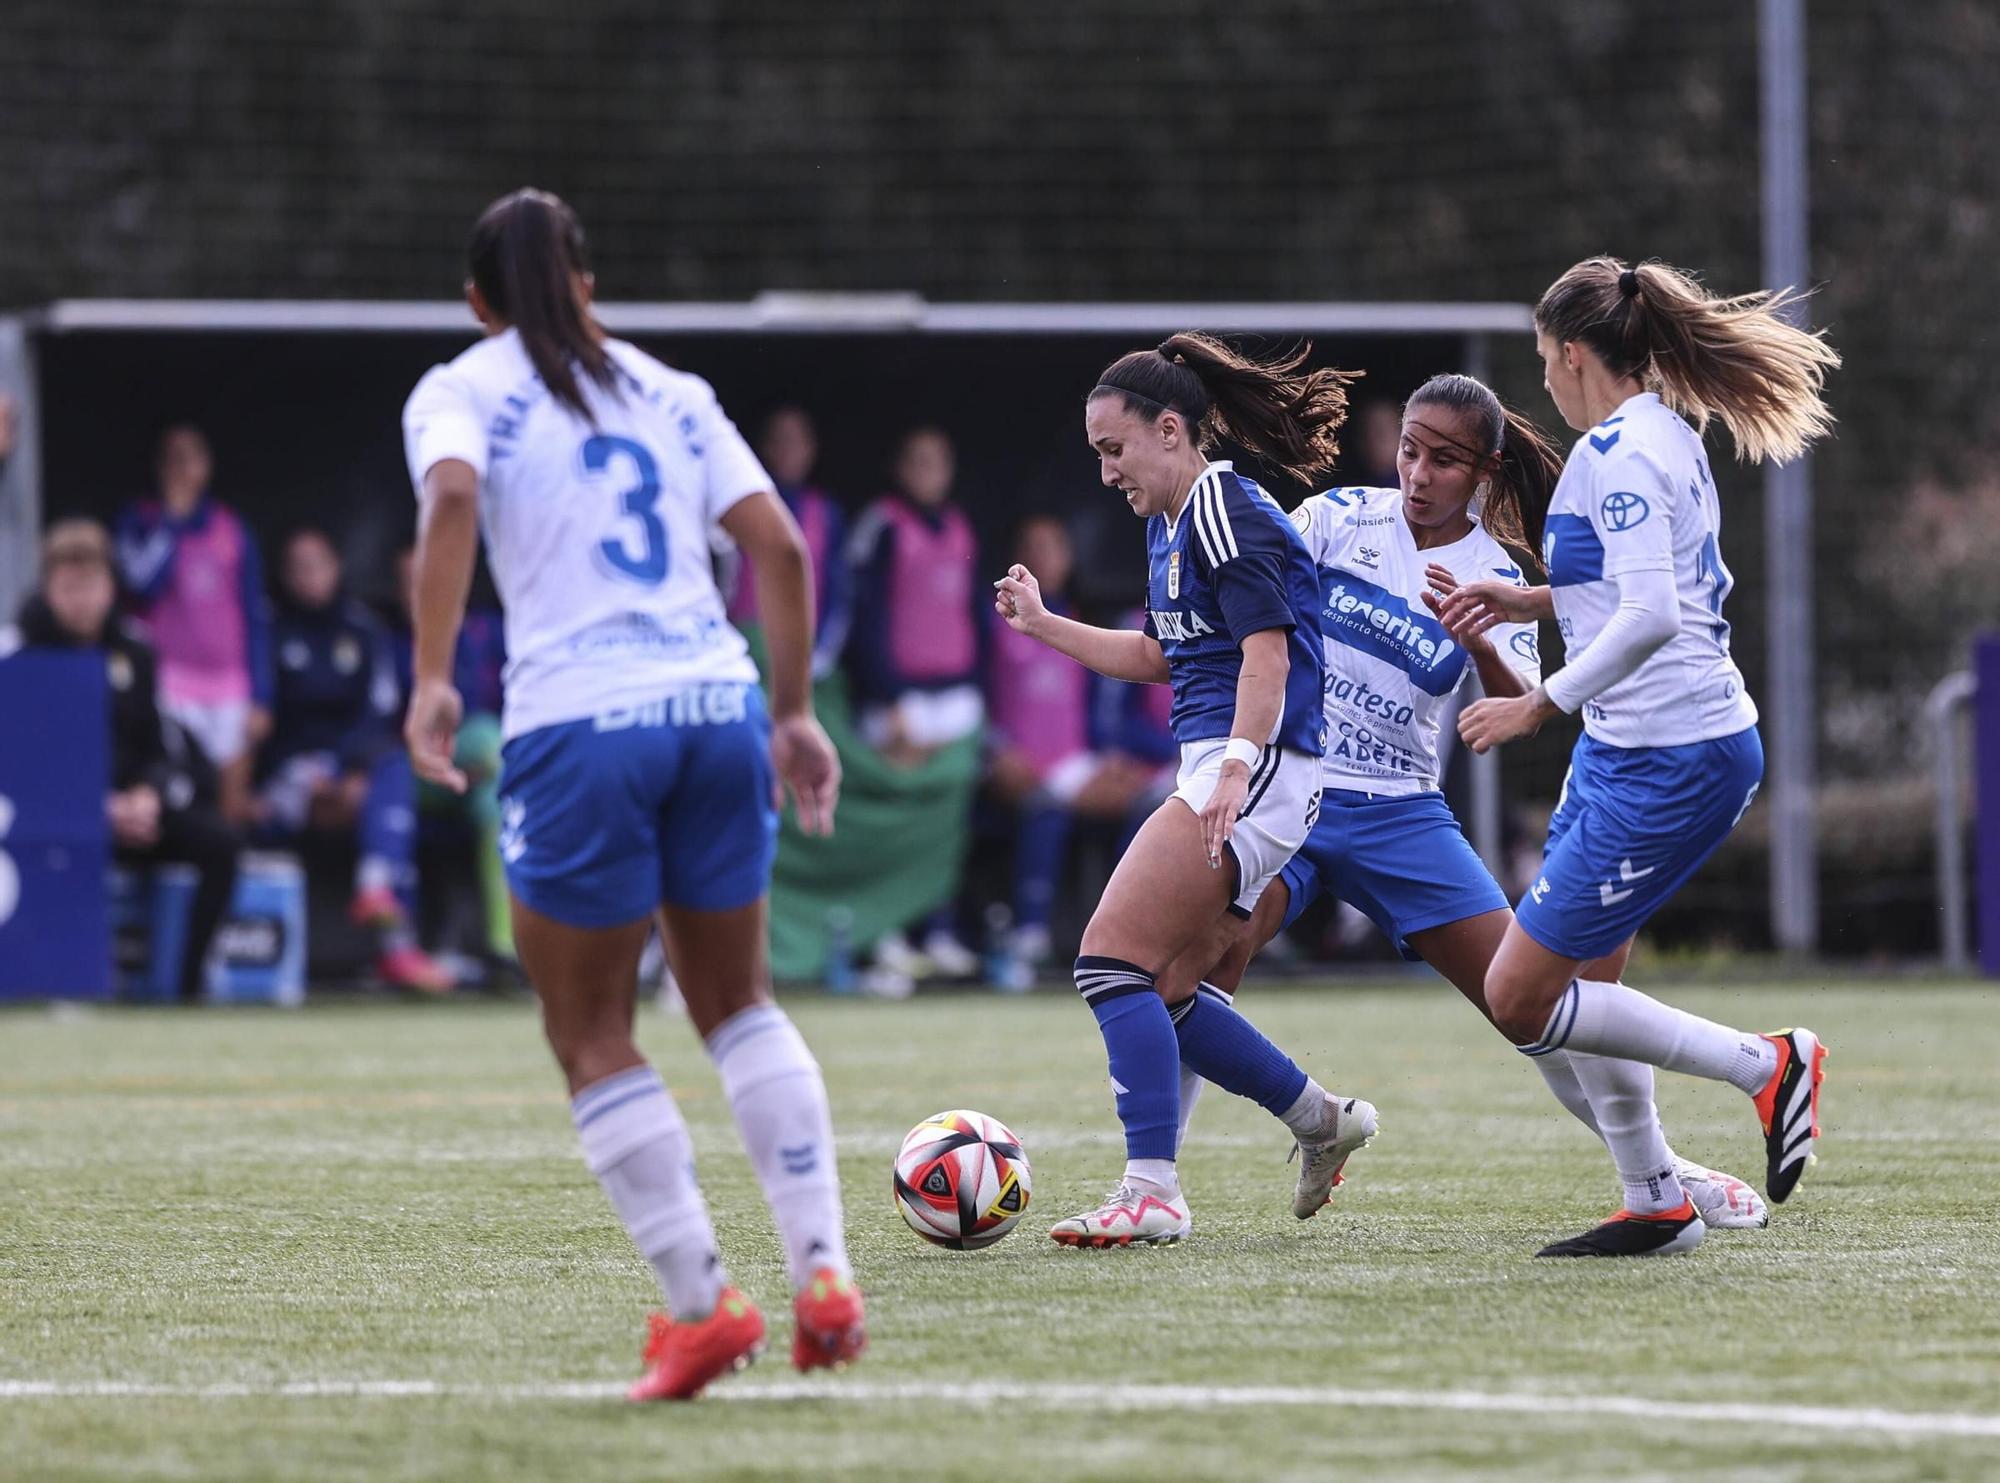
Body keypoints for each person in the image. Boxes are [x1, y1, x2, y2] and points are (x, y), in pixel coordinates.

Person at [401, 188, 860, 1400]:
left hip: (578, 723)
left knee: (591, 1029)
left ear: (476, 300)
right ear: (589, 282)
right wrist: (794, 710)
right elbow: (782, 551)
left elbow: (449, 501)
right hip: (713, 708)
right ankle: (823, 1272)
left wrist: (436, 678)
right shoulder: (673, 390)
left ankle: (704, 1307)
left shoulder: (459, 386)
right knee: (737, 1001)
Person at [1162, 373, 1771, 1251]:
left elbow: (1518, 709)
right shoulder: (1337, 517)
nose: (1417, 473)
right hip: (1295, 790)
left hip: (1401, 811)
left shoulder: (1498, 572)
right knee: (1196, 964)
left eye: (1443, 460)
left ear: (1483, 469)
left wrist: (1479, 637)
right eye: (1410, 450)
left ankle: (1665, 1174)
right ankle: (1159, 1182)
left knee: (1527, 1001)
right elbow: (1252, 607)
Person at [1434, 256, 1842, 1255]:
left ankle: (1766, 1064)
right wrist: (1531, 601)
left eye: (1542, 358)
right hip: (1629, 750)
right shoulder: (1655, 430)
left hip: (1675, 756)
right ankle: (1655, 1199)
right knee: (1585, 992)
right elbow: (1635, 585)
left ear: (1573, 353)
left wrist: (1538, 702)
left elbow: (1655, 612)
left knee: (1520, 995)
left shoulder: (1617, 451)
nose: (1540, 377)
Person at [995, 332, 1374, 1247]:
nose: (1106, 473)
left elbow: (1266, 655)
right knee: (1167, 986)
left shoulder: (1221, 508)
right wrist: (1047, 625)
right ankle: (1323, 1119)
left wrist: (1238, 764)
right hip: (1241, 765)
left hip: (1257, 764)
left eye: (1113, 449)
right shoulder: (1175, 521)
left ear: (1171, 429)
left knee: (1106, 960)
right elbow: (1167, 657)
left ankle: (1152, 1190)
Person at [2, 520, 240, 1001]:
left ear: (110, 587)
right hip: (46, 824)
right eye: (68, 587)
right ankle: (43, 982)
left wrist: (147, 796)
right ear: (47, 588)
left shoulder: (136, 649)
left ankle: (187, 988)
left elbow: (162, 746)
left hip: (132, 815)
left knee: (220, 842)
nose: (81, 600)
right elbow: (20, 764)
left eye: (91, 585)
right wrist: (93, 806)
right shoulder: (17, 654)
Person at [259, 527, 451, 992]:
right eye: (298, 569)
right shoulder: (269, 629)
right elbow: (263, 719)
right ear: (285, 576)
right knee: (383, 803)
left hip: (352, 772)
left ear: (335, 568)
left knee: (391, 772)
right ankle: (392, 935)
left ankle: (378, 899)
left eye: (317, 565)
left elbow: (379, 712)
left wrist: (348, 770)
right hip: (288, 775)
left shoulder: (361, 629)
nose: (309, 578)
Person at [984, 514, 1159, 976]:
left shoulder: (1080, 624)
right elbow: (977, 695)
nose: (1044, 557)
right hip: (1016, 761)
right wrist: (995, 748)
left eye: (1054, 547)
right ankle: (1029, 935)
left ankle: (1130, 930)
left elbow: (1095, 711)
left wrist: (1109, 758)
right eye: (1033, 547)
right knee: (1045, 808)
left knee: (1150, 804)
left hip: (1073, 765)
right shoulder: (994, 619)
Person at [845, 425, 985, 976]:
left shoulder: (957, 526)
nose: (930, 472)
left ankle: (940, 929)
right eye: (918, 461)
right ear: (900, 467)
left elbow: (973, 616)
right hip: (897, 704)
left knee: (948, 817)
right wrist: (891, 696)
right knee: (897, 818)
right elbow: (864, 618)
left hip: (954, 701)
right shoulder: (881, 524)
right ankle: (885, 933)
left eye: (939, 462)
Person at [114, 425, 274, 824]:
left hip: (228, 683)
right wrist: (172, 521)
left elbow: (255, 615)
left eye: (192, 458)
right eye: (173, 458)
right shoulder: (139, 520)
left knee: (231, 797)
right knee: (177, 786)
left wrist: (262, 695)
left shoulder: (232, 529)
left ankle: (229, 872)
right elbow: (140, 584)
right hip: (168, 681)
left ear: (208, 466)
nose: (182, 468)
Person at [388, 544, 514, 967]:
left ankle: (507, 947)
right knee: (387, 786)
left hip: (484, 772)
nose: (420, 593)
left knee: (498, 791)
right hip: (411, 775)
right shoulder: (387, 643)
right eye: (410, 585)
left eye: (427, 581)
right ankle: (397, 946)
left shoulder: (487, 633)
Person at [725, 406, 850, 677]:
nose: (788, 450)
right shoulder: (738, 504)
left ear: (811, 448)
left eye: (796, 441)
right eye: (779, 440)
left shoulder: (826, 512)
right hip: (744, 648)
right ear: (765, 447)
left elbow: (839, 588)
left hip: (806, 651)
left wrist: (821, 656)